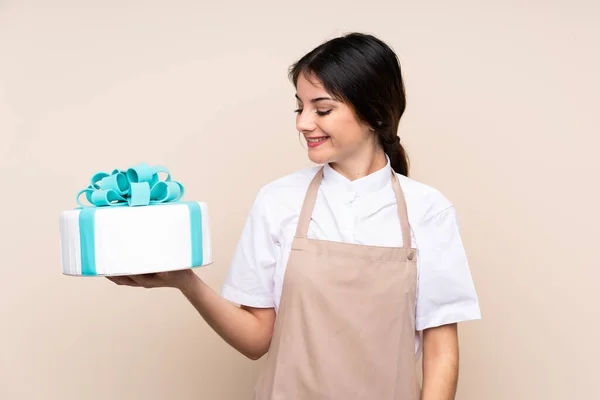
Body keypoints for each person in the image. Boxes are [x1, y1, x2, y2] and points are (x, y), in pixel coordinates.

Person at [108, 32, 481, 399]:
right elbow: (256, 340)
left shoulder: (429, 210)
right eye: (299, 108)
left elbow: (440, 351)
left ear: (373, 114)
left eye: (322, 109)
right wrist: (185, 281)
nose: (303, 123)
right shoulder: (278, 200)